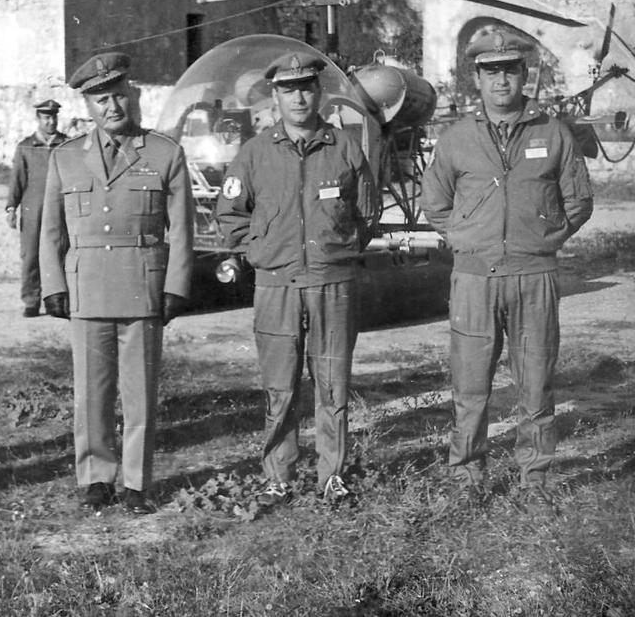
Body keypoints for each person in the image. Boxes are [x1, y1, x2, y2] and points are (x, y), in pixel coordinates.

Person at [421, 29, 593, 511]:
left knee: (536, 379)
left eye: (510, 70)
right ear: (476, 78)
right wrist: (464, 239)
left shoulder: (552, 132)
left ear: (524, 75)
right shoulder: (457, 138)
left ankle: (534, 478)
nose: (501, 80)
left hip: (533, 277)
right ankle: (467, 475)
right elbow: (435, 204)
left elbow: (578, 199)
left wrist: (545, 240)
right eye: (490, 71)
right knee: (470, 383)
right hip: (474, 280)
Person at [215, 51, 380, 506]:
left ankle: (333, 475)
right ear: (275, 96)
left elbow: (367, 212)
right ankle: (278, 476)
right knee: (280, 383)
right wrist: (261, 252)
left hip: (332, 283)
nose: (299, 97)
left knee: (332, 383)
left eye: (307, 87)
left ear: (320, 92)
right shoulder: (254, 153)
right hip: (276, 285)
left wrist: (336, 252)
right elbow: (230, 214)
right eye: (289, 89)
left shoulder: (345, 148)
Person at [39, 52, 194, 514]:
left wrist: (176, 286)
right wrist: (52, 284)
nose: (112, 107)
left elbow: (182, 228)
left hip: (142, 288)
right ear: (88, 106)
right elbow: (51, 231)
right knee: (92, 390)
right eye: (101, 100)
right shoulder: (66, 157)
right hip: (87, 288)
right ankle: (95, 477)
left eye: (119, 96)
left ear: (134, 96)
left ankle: (136, 482)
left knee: (140, 391)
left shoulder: (164, 153)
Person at [6, 99, 67, 317]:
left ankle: (57, 301)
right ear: (38, 119)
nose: (51, 122)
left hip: (60, 211)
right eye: (46, 118)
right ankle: (31, 301)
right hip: (33, 210)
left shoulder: (66, 145)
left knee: (59, 253)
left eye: (54, 117)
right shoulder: (25, 147)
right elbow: (17, 180)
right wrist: (11, 207)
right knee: (30, 255)